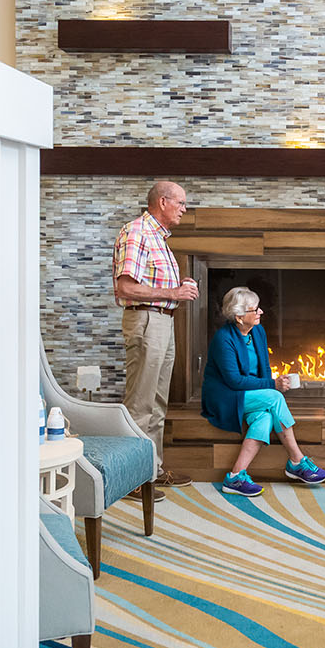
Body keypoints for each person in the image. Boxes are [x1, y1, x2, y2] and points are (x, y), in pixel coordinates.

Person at [113, 181, 199, 501]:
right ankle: (131, 477)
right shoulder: (136, 233)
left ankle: (152, 468)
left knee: (158, 403)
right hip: (146, 320)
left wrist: (179, 287)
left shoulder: (158, 239)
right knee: (140, 404)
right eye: (180, 203)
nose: (184, 209)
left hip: (163, 321)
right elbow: (126, 288)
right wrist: (173, 293)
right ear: (163, 202)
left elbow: (152, 284)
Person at [201, 287, 325, 496]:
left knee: (265, 418)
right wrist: (272, 386)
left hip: (248, 393)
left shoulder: (257, 331)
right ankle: (297, 461)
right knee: (275, 397)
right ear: (240, 317)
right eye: (255, 310)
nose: (260, 313)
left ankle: (235, 477)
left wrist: (271, 382)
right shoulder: (223, 339)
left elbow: (265, 367)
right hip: (225, 396)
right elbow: (234, 381)